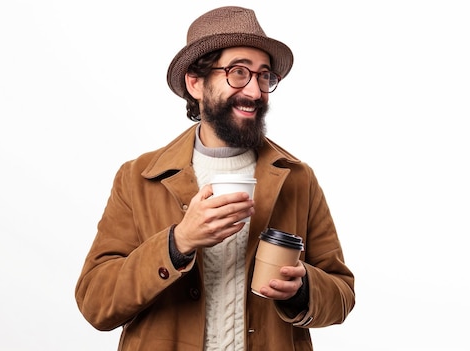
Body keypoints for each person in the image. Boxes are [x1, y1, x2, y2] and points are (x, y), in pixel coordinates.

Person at [75, 6, 355, 351]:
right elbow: (95, 303)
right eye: (238, 73)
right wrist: (178, 242)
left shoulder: (298, 178)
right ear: (196, 82)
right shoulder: (138, 178)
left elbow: (342, 293)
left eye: (264, 76)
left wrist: (303, 290)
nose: (254, 91)